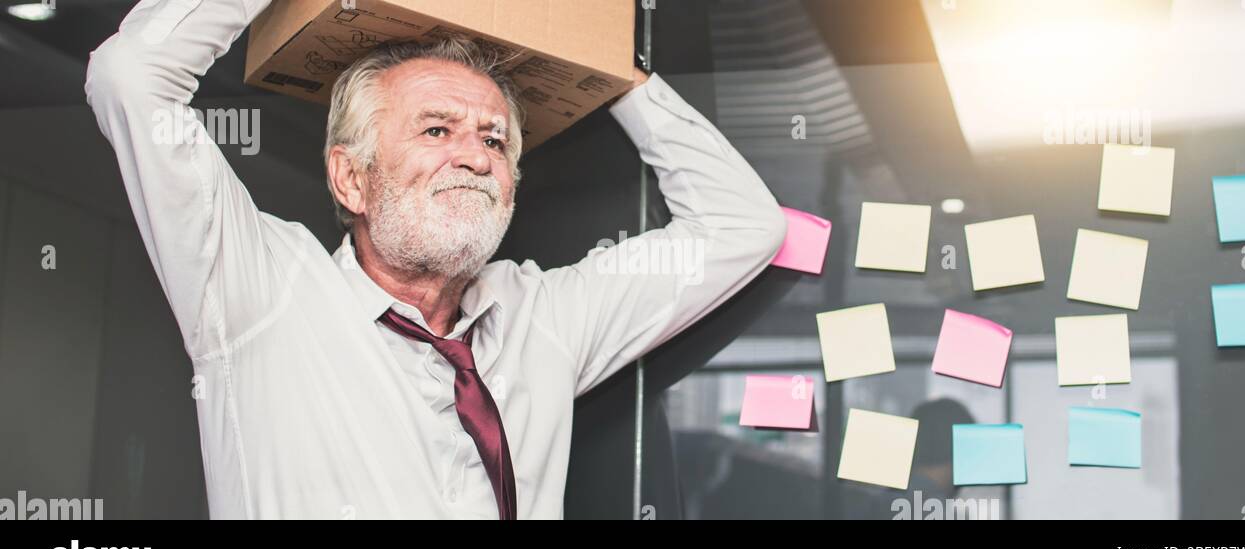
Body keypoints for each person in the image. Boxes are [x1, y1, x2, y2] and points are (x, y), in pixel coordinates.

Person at [85, 0, 786, 519]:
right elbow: (130, 76)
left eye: (495, 140)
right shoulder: (257, 289)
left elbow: (743, 226)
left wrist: (614, 70)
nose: (475, 156)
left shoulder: (544, 318)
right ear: (351, 179)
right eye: (436, 128)